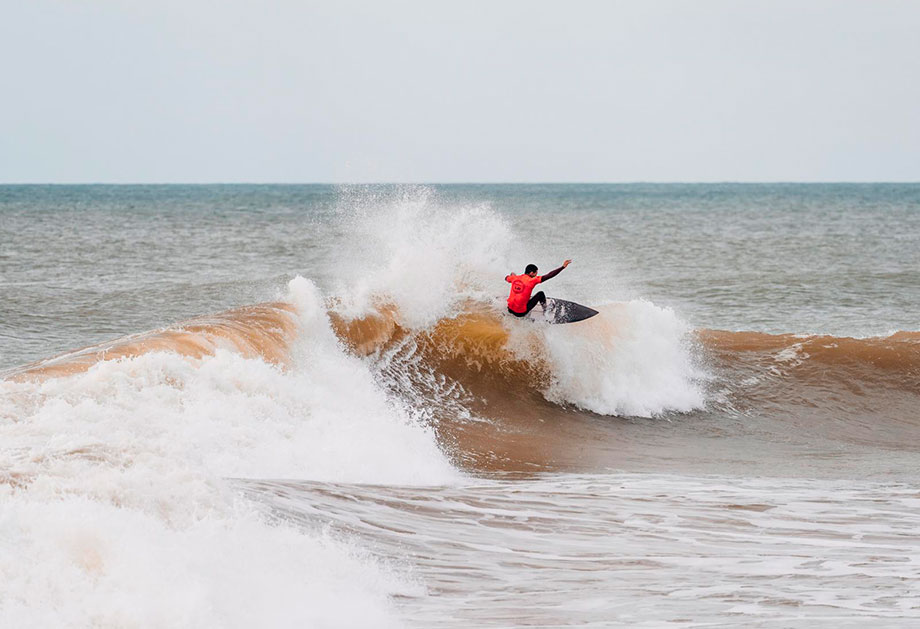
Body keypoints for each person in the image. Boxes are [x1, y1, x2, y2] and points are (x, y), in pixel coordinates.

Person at [505, 260, 572, 317]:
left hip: (510, 310)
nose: (536, 275)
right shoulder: (531, 280)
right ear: (531, 273)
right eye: (535, 273)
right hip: (520, 313)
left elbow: (506, 278)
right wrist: (562, 267)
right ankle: (546, 310)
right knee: (540, 294)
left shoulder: (514, 278)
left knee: (521, 294)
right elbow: (549, 275)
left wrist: (513, 275)